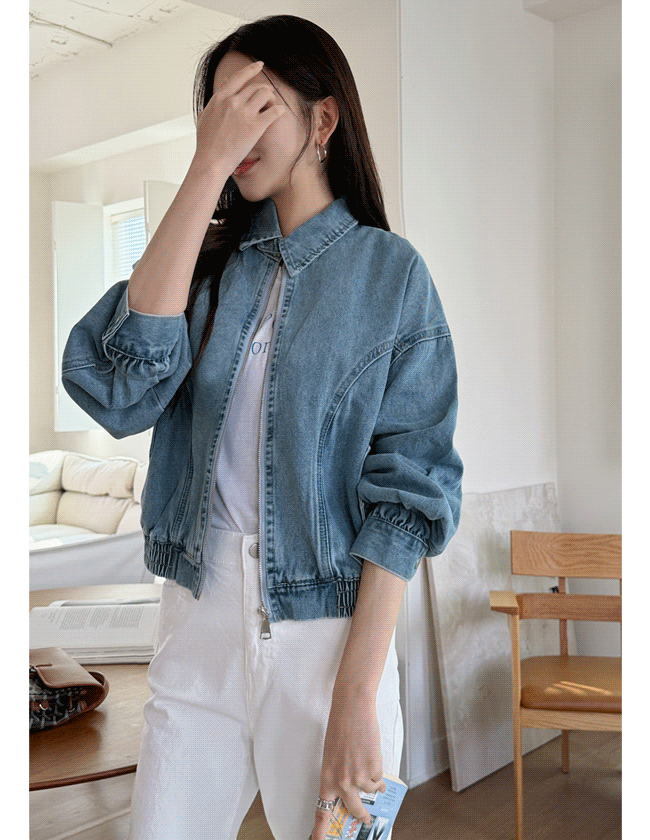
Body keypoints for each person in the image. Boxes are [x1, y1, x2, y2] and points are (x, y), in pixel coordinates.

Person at [61, 14, 463, 840]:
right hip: (195, 620)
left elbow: (410, 495)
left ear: (323, 120)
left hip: (329, 640)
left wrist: (356, 694)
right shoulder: (200, 266)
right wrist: (206, 166)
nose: (231, 127)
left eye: (254, 104)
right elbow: (116, 389)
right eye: (217, 111)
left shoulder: (392, 275)